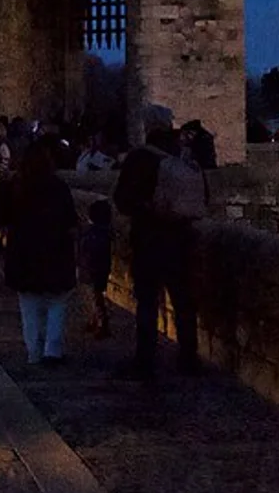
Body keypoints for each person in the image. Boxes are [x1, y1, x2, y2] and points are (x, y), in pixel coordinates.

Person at [113, 108, 206, 379]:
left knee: (147, 301)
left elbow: (122, 200)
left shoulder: (140, 157)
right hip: (181, 237)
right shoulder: (184, 155)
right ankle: (189, 358)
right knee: (183, 300)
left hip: (149, 238)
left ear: (147, 127)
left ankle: (145, 360)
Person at [0, 141, 79, 365]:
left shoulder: (16, 186)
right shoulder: (58, 187)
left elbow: (3, 218)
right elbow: (70, 221)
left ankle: (33, 351)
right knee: (56, 302)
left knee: (29, 305)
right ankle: (52, 350)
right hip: (55, 250)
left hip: (24, 252)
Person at [79, 198, 115, 338]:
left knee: (92, 297)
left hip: (89, 269)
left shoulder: (90, 233)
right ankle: (96, 320)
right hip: (101, 268)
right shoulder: (106, 233)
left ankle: (99, 322)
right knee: (97, 295)